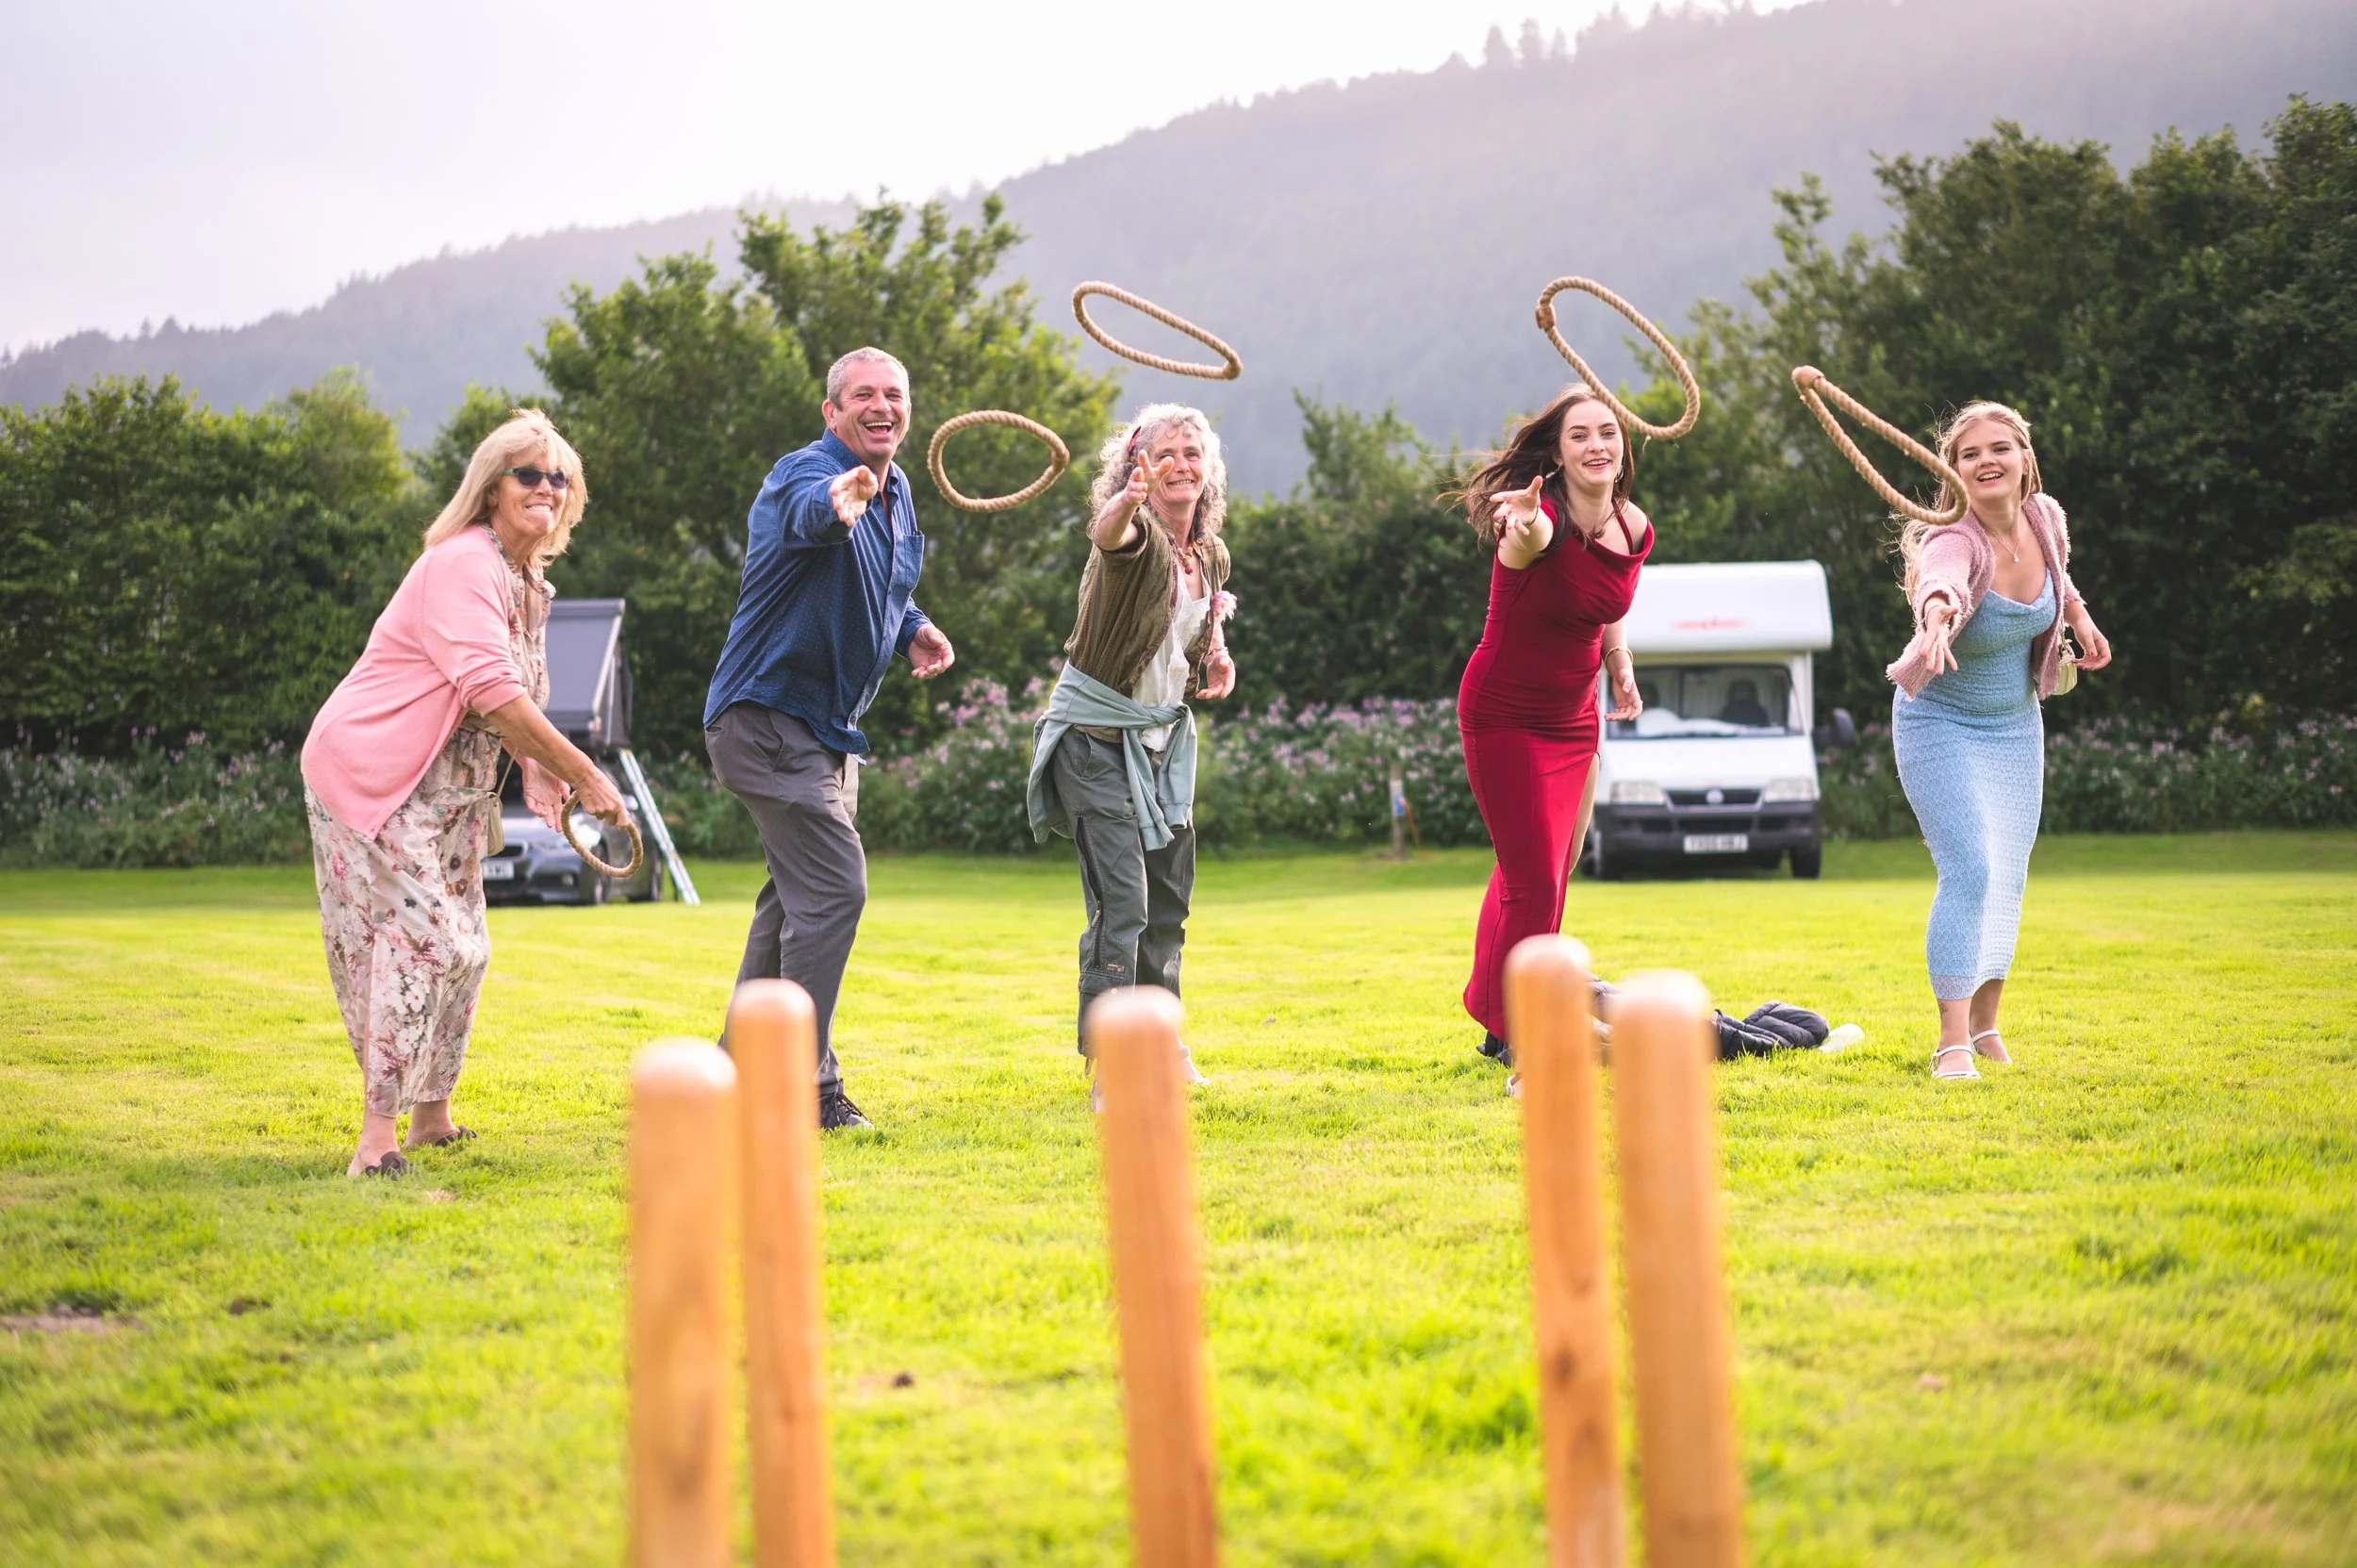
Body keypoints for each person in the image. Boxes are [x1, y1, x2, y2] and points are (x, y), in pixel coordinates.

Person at [302, 410, 629, 1178]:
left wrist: (541, 767)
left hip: (452, 792)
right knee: (426, 940)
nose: (546, 487)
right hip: (377, 775)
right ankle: (374, 1144)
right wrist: (584, 770)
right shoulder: (464, 563)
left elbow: (511, 699)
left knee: (469, 949)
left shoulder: (528, 582)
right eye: (529, 473)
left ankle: (431, 1120)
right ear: (490, 488)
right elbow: (488, 689)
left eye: (560, 477)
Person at [704, 347, 956, 1131]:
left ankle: (731, 1074)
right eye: (862, 396)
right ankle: (802, 1090)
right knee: (836, 886)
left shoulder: (902, 490)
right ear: (832, 412)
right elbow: (812, 516)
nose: (880, 406)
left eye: (893, 394)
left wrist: (913, 626)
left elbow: (889, 581)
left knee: (792, 904)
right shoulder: (802, 474)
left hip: (822, 731)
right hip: (767, 718)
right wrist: (839, 497)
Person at [1886, 401, 2112, 1081]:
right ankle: (1950, 1041)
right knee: (1972, 870)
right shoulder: (1952, 540)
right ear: (1953, 472)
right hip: (1939, 722)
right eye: (1969, 454)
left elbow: (2060, 572)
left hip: (2015, 725)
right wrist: (1934, 617)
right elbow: (1941, 583)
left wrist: (2078, 614)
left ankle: (1986, 1027)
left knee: (2007, 876)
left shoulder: (2046, 516)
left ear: (2023, 458)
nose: (1986, 461)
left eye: (1999, 448)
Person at [1027, 404, 1236, 1102]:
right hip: (1094, 744)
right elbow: (1106, 533)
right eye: (1166, 452)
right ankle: (1110, 1063)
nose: (1181, 463)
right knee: (1124, 905)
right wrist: (1125, 502)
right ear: (1139, 464)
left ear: (1208, 471)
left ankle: (1161, 1039)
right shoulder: (1136, 535)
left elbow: (1195, 626)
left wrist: (1217, 656)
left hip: (1159, 747)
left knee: (1170, 904)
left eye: (1192, 453)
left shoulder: (1206, 554)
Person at [1450, 386, 1650, 1072]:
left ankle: (1497, 1015)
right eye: (1579, 436)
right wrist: (1527, 518)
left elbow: (1609, 594)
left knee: (1551, 869)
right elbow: (1534, 540)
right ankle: (1529, 1032)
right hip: (1504, 713)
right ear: (1558, 455)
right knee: (1533, 878)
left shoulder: (1632, 524)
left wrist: (1618, 660)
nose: (1597, 445)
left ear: (1623, 446)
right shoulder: (1540, 523)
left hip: (1574, 717)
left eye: (1607, 433)